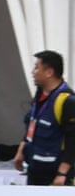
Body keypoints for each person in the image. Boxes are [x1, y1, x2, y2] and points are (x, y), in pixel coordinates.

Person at [13, 50, 75, 186]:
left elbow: (72, 141)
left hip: (55, 174)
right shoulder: (40, 95)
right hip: (35, 169)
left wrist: (62, 173)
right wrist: (21, 150)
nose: (33, 72)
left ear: (49, 72)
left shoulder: (67, 101)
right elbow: (32, 124)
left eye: (36, 67)